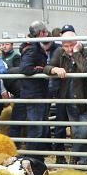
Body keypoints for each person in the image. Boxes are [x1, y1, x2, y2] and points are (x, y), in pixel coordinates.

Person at [49, 31, 87, 166]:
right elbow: (47, 67)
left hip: (84, 97)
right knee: (76, 130)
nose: (69, 49)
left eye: (71, 45)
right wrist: (54, 69)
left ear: (77, 43)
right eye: (65, 46)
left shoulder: (85, 51)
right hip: (68, 98)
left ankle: (76, 156)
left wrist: (77, 52)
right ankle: (81, 160)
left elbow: (85, 69)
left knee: (84, 130)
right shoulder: (59, 52)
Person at [20, 21, 54, 155]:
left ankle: (35, 155)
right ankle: (31, 156)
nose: (47, 34)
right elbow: (25, 68)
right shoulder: (33, 48)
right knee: (36, 127)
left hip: (36, 92)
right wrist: (40, 70)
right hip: (34, 93)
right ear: (41, 33)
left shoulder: (32, 46)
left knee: (39, 125)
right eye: (45, 32)